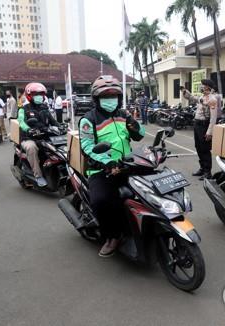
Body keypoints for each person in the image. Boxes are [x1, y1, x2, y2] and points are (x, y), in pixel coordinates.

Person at [79, 75, 145, 257]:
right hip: (101, 169)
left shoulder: (124, 115)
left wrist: (136, 128)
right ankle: (112, 236)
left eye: (114, 96)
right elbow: (87, 147)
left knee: (148, 193)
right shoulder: (88, 119)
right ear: (97, 99)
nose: (111, 100)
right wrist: (107, 162)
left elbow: (140, 135)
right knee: (101, 201)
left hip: (128, 164)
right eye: (106, 97)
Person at [17, 82, 61, 188]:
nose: (39, 97)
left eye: (41, 94)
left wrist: (60, 126)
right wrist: (28, 129)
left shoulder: (44, 108)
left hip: (44, 135)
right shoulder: (24, 109)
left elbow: (53, 121)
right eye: (36, 94)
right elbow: (21, 122)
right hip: (29, 137)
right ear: (29, 95)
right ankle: (38, 175)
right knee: (32, 148)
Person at [182, 79, 219, 180]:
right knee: (198, 147)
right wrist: (185, 92)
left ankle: (208, 172)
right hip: (197, 124)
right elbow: (192, 98)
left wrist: (209, 132)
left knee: (205, 149)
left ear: (208, 87)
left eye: (203, 85)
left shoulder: (212, 99)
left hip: (204, 125)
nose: (201, 86)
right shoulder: (202, 97)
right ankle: (202, 168)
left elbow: (213, 117)